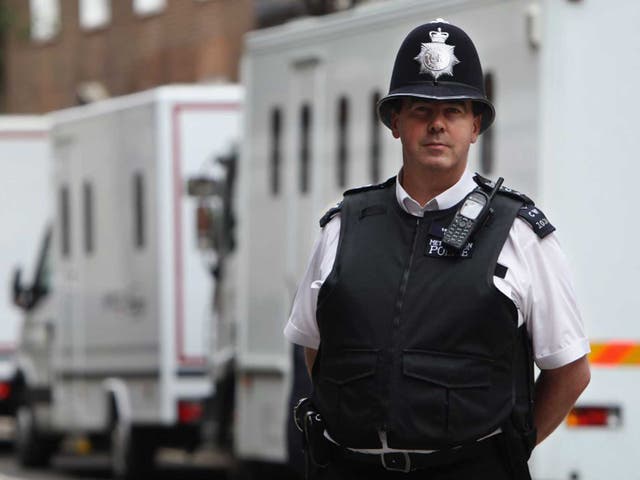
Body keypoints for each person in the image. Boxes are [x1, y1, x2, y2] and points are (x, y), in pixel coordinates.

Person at [285, 18, 590, 480]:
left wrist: (508, 453)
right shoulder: (344, 227)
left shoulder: (520, 235)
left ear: (475, 126)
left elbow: (570, 372)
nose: (437, 125)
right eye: (421, 110)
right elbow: (317, 349)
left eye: (454, 111)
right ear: (395, 123)